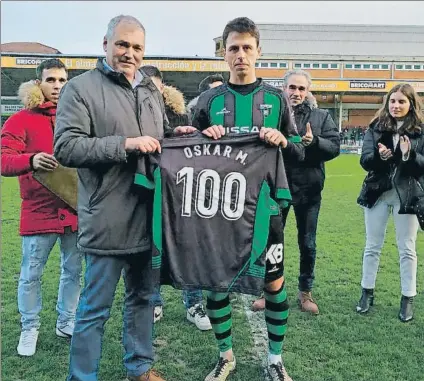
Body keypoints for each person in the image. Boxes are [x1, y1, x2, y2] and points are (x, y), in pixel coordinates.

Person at [53, 15, 196, 381]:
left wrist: (173, 133)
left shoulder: (150, 89)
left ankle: (140, 367)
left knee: (144, 300)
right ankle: (82, 376)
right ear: (105, 44)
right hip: (107, 218)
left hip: (149, 216)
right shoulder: (80, 88)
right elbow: (66, 147)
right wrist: (125, 146)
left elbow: (155, 137)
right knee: (94, 309)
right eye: (122, 45)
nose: (129, 53)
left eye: (136, 48)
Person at [191, 17, 304, 381]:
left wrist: (284, 140)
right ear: (224, 54)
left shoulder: (275, 99)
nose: (240, 55)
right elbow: (188, 150)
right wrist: (202, 135)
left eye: (246, 48)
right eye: (233, 48)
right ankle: (226, 356)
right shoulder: (208, 100)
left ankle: (274, 359)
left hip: (265, 210)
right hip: (219, 210)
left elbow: (300, 147)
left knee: (273, 283)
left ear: (259, 51)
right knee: (216, 282)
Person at [1, 59, 83, 357]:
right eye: (51, 80)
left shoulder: (77, 116)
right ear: (39, 83)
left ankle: (66, 321)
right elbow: (3, 159)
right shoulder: (20, 120)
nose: (57, 86)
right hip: (38, 212)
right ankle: (30, 327)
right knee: (31, 274)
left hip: (75, 211)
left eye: (62, 80)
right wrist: (31, 160)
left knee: (73, 271)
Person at [251, 71, 340, 315]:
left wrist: (314, 142)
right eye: (292, 87)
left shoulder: (321, 116)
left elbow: (334, 147)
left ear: (308, 91)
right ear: (283, 88)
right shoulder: (271, 115)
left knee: (308, 243)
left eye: (301, 88)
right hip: (277, 189)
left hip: (310, 190)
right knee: (272, 243)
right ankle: (268, 291)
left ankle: (305, 292)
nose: (296, 93)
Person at [141, 64, 212, 331]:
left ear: (163, 87)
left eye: (154, 87)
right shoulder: (132, 115)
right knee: (152, 247)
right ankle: (154, 301)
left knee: (188, 249)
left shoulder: (182, 116)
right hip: (145, 192)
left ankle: (194, 303)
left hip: (182, 195)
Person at [356, 83, 424, 322]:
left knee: (407, 248)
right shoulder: (375, 127)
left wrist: (408, 155)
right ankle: (367, 292)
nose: (396, 106)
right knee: (372, 246)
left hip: (407, 197)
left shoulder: (420, 131)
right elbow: (364, 160)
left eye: (401, 102)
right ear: (387, 103)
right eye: (392, 101)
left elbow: (422, 165)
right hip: (377, 194)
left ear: (411, 105)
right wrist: (379, 157)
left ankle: (408, 298)